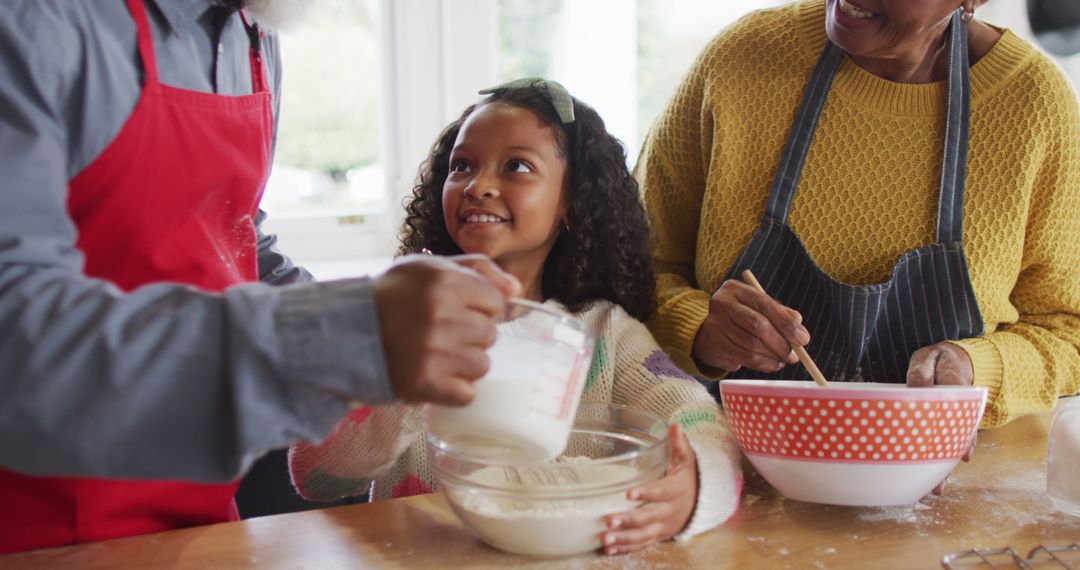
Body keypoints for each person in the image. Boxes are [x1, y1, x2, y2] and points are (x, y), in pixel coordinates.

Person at [0, 0, 518, 554]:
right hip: (40, 527)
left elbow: (234, 236)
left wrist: (387, 322)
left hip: (200, 514)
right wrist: (351, 331)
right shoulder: (38, 21)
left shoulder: (253, 33)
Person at [288, 79, 744, 555]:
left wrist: (692, 489)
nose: (478, 186)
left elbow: (704, 427)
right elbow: (314, 474)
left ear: (572, 202)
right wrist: (403, 372)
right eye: (461, 166)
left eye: (518, 167)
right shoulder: (404, 325)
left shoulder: (605, 336)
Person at [638, 0, 1080, 428]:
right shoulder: (742, 60)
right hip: (727, 468)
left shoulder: (1035, 107)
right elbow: (626, 266)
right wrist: (696, 327)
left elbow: (1067, 331)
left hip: (956, 486)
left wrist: (975, 367)